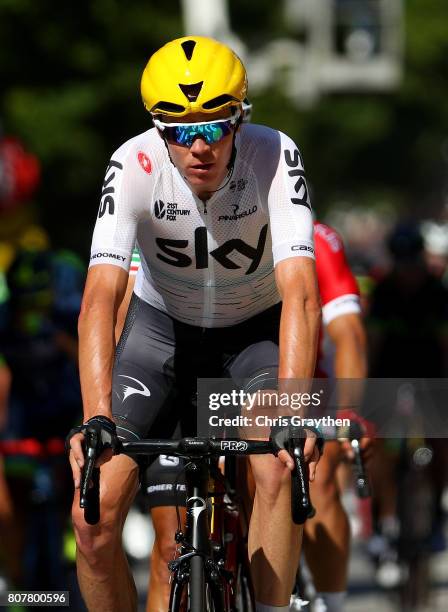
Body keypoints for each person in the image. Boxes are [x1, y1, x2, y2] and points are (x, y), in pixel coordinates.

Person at [67, 35, 323, 612]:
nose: (197, 145)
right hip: (161, 336)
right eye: (178, 129)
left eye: (214, 125)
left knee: (279, 467)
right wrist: (96, 418)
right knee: (93, 516)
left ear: (242, 118)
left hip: (253, 333)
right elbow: (99, 303)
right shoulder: (132, 164)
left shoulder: (275, 155)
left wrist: (294, 409)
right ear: (158, 130)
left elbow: (302, 295)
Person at [121, 221, 369, 612]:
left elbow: (349, 333)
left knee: (299, 474)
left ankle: (322, 601)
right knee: (170, 547)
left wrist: (349, 411)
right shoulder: (165, 227)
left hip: (291, 384)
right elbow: (123, 313)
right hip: (192, 384)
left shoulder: (313, 239)